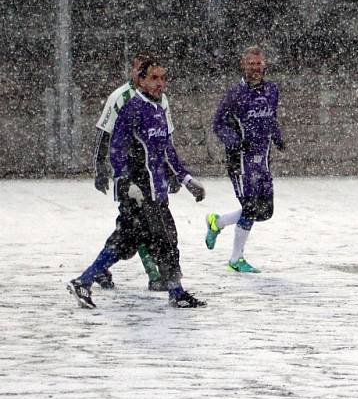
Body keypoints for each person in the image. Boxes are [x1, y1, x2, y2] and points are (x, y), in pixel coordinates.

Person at [68, 58, 208, 309]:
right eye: (154, 78)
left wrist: (186, 179)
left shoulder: (159, 108)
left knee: (127, 240)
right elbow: (117, 147)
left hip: (156, 190)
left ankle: (84, 281)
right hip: (140, 192)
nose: (160, 84)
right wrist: (125, 181)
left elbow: (167, 150)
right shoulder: (132, 108)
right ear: (140, 80)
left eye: (163, 78)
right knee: (165, 238)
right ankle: (176, 292)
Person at [92, 52, 177, 291]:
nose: (151, 80)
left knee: (140, 229)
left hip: (152, 174)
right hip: (132, 174)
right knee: (138, 229)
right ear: (135, 74)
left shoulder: (161, 99)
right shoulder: (120, 98)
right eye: (142, 73)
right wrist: (101, 167)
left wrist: (171, 172)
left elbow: (165, 140)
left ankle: (97, 270)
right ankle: (158, 277)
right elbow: (106, 133)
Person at [205, 46, 284, 273]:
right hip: (240, 160)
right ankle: (235, 260)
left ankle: (217, 222)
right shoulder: (235, 93)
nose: (255, 68)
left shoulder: (271, 90)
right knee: (250, 207)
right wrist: (234, 141)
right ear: (243, 64)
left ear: (265, 64)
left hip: (263, 160)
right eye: (251, 64)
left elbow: (271, 118)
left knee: (265, 211)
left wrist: (277, 137)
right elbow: (218, 123)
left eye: (258, 64)